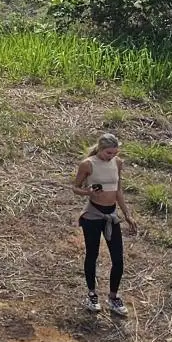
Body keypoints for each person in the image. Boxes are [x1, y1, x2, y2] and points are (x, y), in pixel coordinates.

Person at [72, 130, 136, 317]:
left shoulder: (117, 163)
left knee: (118, 259)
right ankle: (92, 294)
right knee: (92, 255)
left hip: (111, 215)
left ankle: (113, 297)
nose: (112, 156)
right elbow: (75, 187)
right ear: (100, 149)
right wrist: (88, 193)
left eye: (115, 153)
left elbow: (118, 190)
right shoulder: (88, 164)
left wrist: (127, 214)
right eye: (109, 153)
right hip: (93, 215)